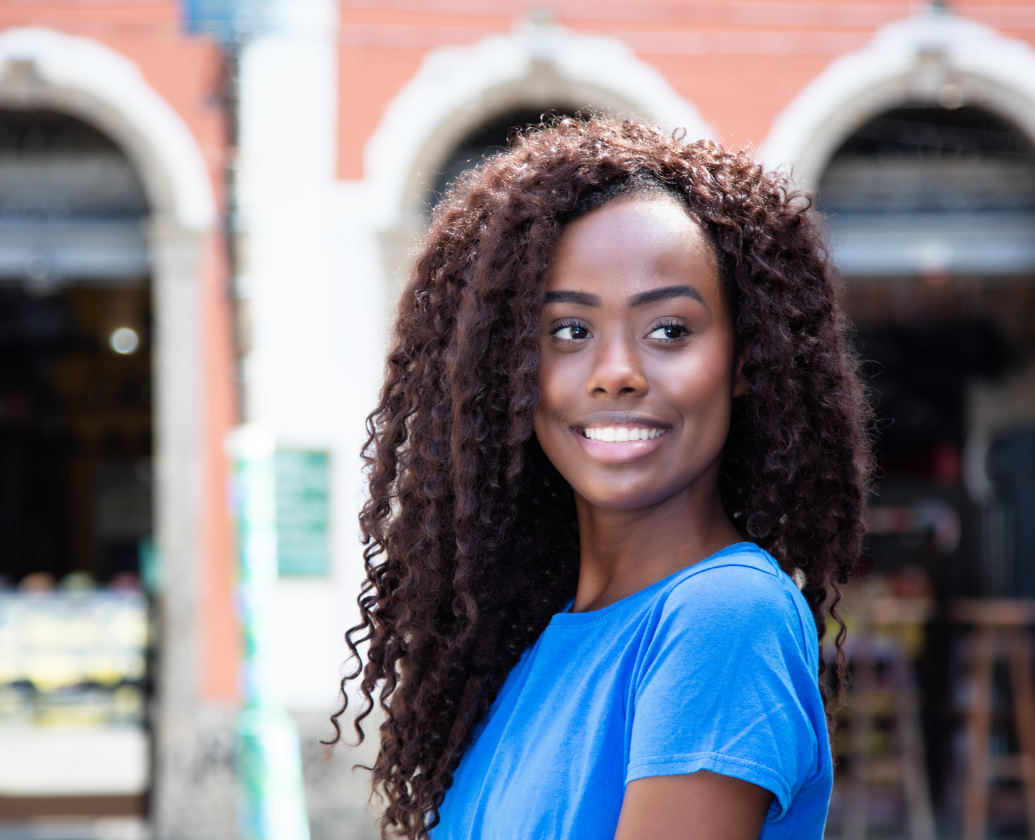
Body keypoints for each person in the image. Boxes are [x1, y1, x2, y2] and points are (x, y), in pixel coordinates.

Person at [329, 117, 872, 840]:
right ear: (515, 373)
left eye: (669, 330)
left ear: (746, 361)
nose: (617, 373)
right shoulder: (539, 645)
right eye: (569, 332)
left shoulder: (723, 616)